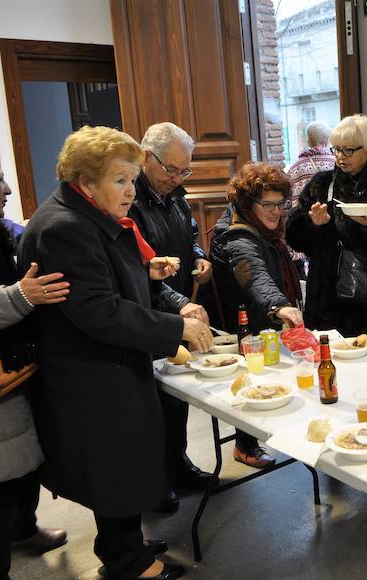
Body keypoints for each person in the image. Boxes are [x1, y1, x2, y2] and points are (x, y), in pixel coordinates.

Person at [17, 126, 213, 580]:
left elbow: (97, 278)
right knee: (114, 462)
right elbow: (98, 311)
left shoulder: (81, 216)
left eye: (132, 178)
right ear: (87, 182)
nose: (131, 190)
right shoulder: (64, 227)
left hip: (103, 363)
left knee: (123, 457)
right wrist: (176, 327)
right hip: (89, 369)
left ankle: (126, 544)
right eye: (121, 180)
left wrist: (143, 269)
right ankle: (124, 561)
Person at [0, 146, 69, 580]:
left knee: (22, 463)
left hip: (11, 366)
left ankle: (23, 530)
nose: (8, 187)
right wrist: (20, 296)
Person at [129, 122, 214, 513]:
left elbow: (189, 233)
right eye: (170, 169)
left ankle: (177, 464)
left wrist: (197, 254)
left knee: (177, 394)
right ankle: (154, 480)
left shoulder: (176, 196)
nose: (177, 178)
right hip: (147, 310)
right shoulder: (129, 201)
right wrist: (182, 303)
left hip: (173, 306)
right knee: (151, 401)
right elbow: (139, 268)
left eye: (185, 171)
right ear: (147, 157)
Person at [286, 114, 367, 350]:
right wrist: (312, 223)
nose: (339, 157)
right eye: (335, 149)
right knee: (328, 371)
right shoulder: (321, 183)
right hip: (324, 299)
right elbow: (294, 238)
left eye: (348, 150)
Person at [210, 163, 304, 468]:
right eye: (267, 204)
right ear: (248, 203)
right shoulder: (236, 237)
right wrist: (278, 305)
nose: (276, 212)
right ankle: (245, 445)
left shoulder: (263, 229)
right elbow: (253, 273)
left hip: (260, 317)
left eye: (280, 204)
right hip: (245, 319)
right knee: (250, 378)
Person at [287, 121, 336, 205]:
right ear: (328, 140)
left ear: (308, 141)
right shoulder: (336, 163)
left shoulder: (295, 166)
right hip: (328, 213)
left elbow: (288, 194)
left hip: (301, 215)